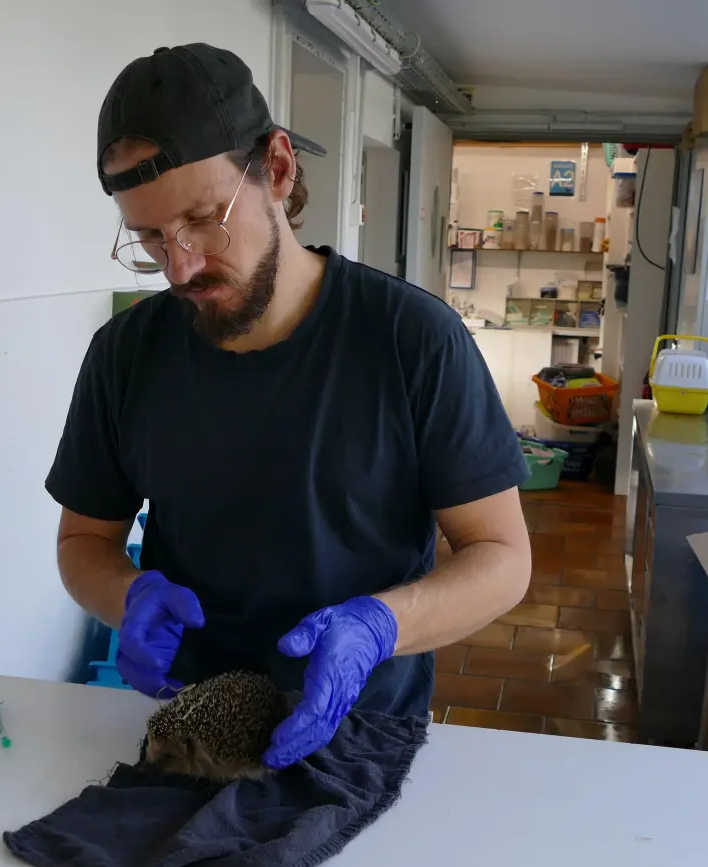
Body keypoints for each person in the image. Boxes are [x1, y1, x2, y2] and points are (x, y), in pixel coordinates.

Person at [47, 44, 532, 770]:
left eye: (204, 219)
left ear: (277, 167)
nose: (179, 267)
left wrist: (379, 626)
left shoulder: (413, 341)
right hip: (191, 725)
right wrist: (128, 595)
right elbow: (82, 544)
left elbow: (502, 557)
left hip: (365, 728)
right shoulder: (125, 356)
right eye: (150, 238)